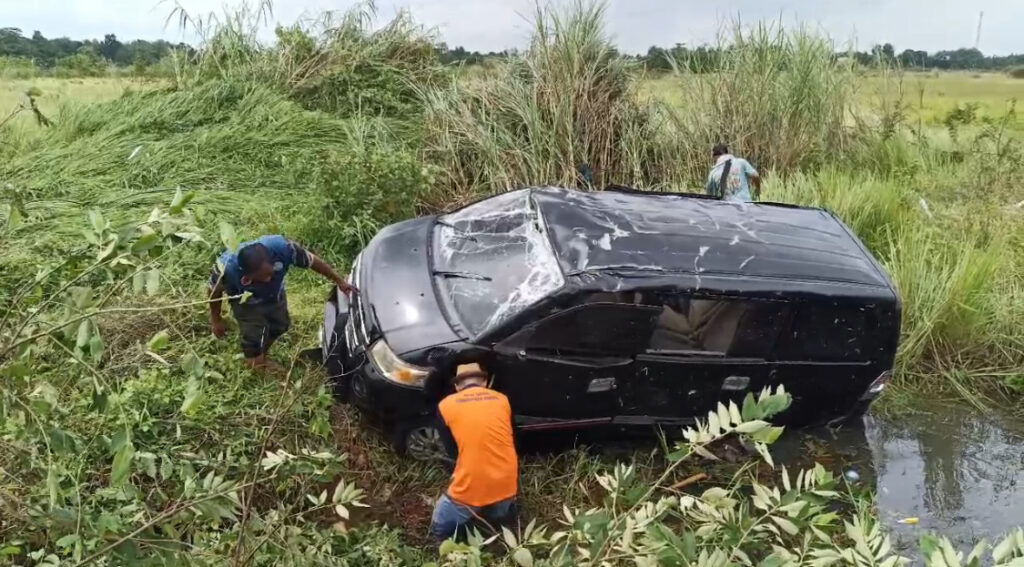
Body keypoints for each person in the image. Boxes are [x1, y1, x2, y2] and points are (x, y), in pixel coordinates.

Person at [208, 234, 356, 369]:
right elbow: (214, 292)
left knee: (280, 325)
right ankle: (254, 363)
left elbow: (312, 262)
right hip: (246, 302)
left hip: (275, 294)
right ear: (245, 276)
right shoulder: (225, 269)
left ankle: (262, 355)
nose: (267, 279)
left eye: (269, 274)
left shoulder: (284, 249)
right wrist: (216, 319)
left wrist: (339, 281)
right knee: (253, 334)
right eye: (261, 277)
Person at [430, 363, 518, 541]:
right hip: (507, 478)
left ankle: (443, 549)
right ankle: (500, 526)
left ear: (457, 386)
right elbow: (510, 435)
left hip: (473, 481)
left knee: (439, 526)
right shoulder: (502, 400)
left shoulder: (445, 406)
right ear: (484, 383)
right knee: (500, 513)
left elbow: (451, 450)